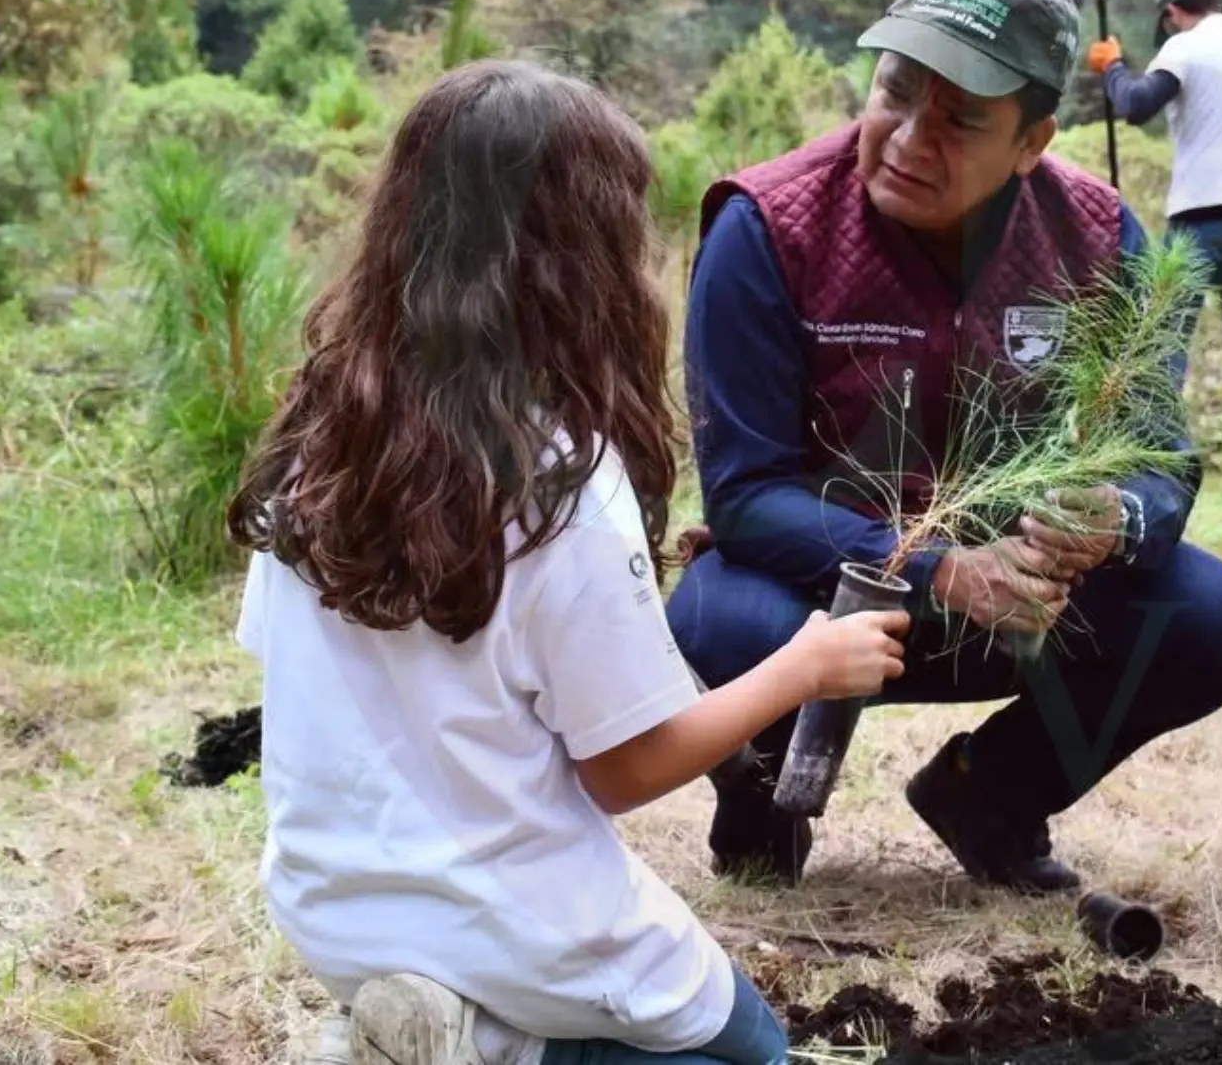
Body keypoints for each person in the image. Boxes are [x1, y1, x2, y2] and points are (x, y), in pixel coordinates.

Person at [226, 61, 912, 1065]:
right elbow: (623, 770)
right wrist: (802, 667)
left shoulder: (320, 436)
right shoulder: (556, 481)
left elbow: (298, 673)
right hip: (511, 922)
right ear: (581, 261)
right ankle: (494, 1052)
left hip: (338, 915)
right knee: (754, 1047)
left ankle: (439, 1036)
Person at [668, 0, 1222, 893]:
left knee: (1213, 619)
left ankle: (987, 795)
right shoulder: (768, 229)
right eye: (894, 94)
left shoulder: (1100, 239)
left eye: (960, 120)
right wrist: (938, 569)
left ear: (1032, 141)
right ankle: (762, 803)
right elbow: (745, 497)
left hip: (1023, 602)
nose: (908, 138)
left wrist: (1117, 517)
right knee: (722, 618)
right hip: (825, 590)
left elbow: (1163, 459)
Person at [1086, 0, 1222, 457]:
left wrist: (1112, 66)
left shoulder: (1187, 46)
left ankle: (1162, 444)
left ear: (1173, 13)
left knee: (1167, 332)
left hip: (1202, 215)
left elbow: (1135, 105)